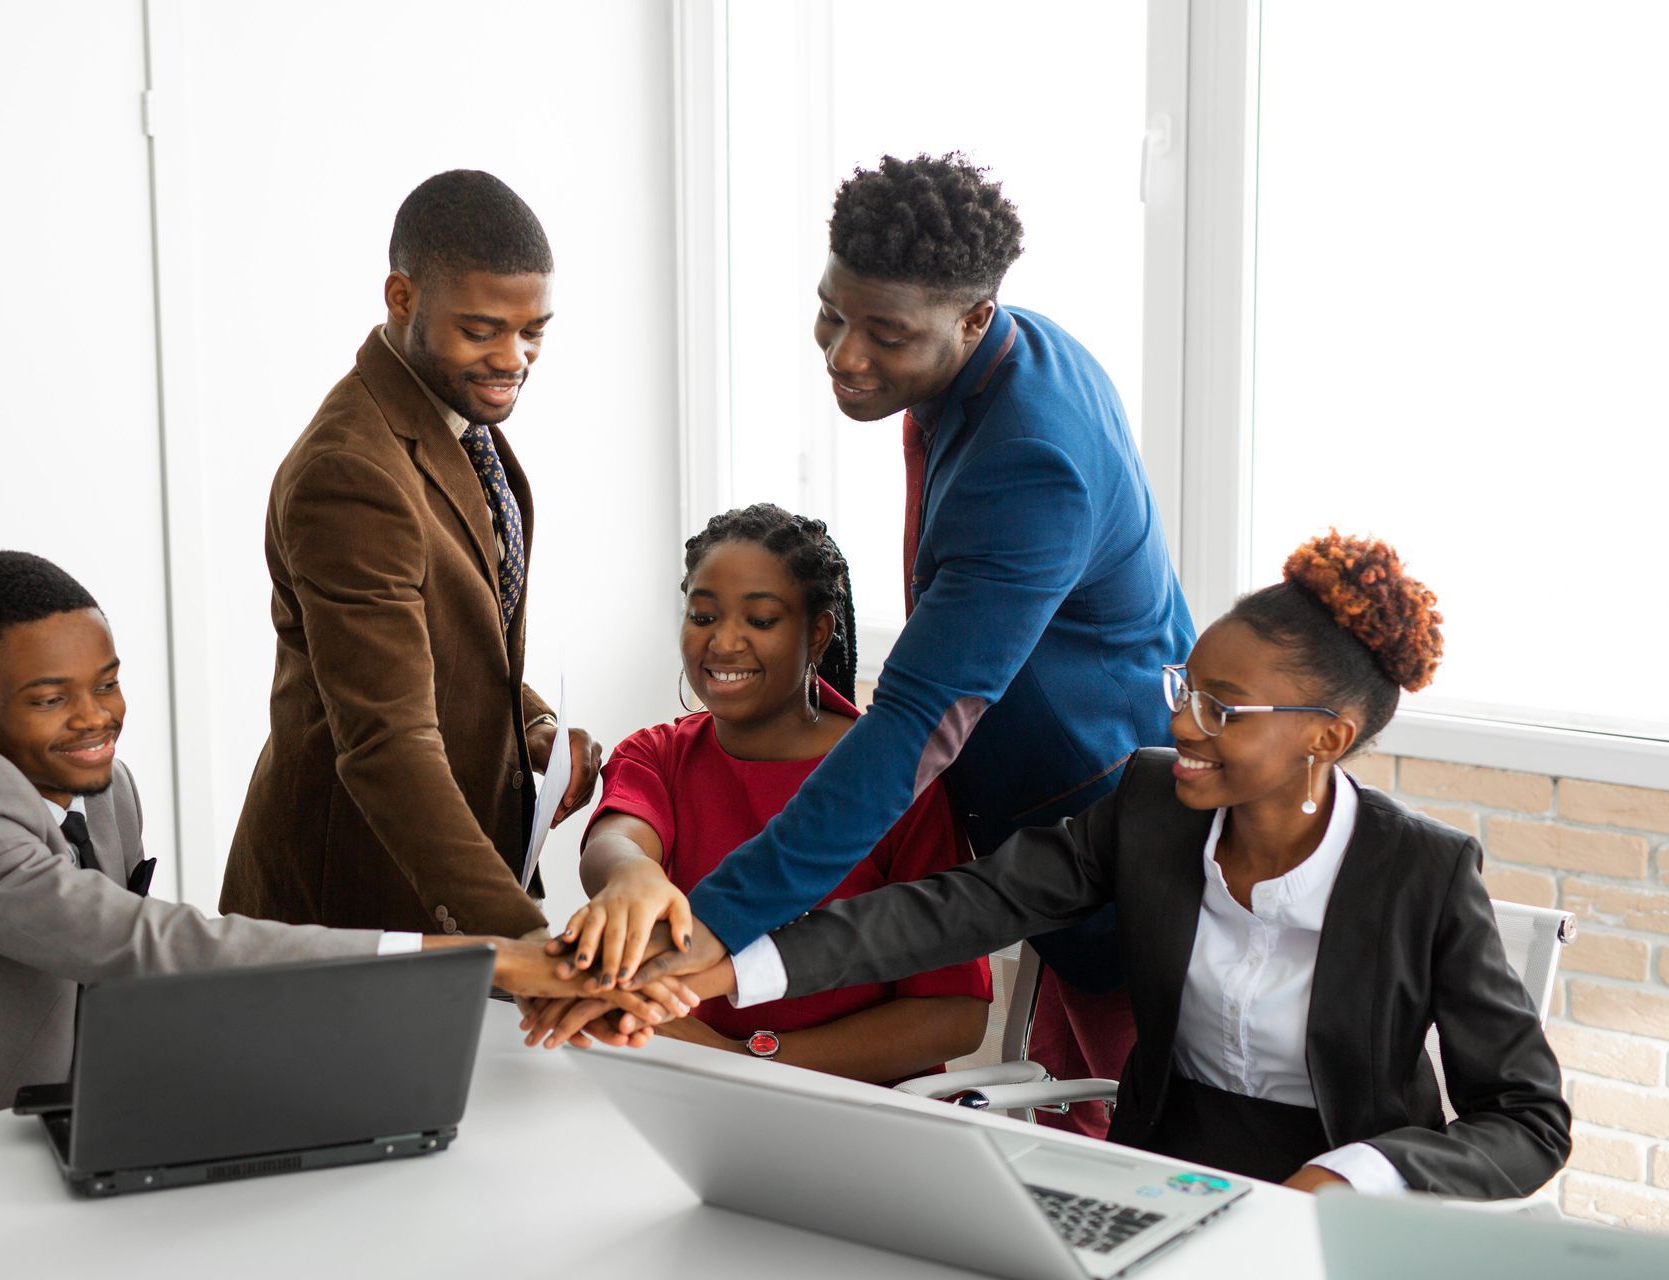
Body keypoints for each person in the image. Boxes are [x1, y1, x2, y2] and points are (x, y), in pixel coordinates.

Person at [592, 534, 1571, 1199]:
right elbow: (963, 905)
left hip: (1332, 1199)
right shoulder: (1150, 804)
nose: (1180, 722)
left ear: (1328, 735)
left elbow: (1528, 1118)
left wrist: (1353, 1173)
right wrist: (732, 963)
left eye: (1223, 710)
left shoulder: (1424, 873)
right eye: (1187, 688)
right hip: (1160, 1180)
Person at [573, 153, 1194, 1136]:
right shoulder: (994, 355)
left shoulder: (1030, 460)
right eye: (832, 313)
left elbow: (913, 721)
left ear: (975, 317)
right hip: (1059, 825)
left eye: (886, 334)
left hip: (1127, 842)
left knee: (1151, 1160)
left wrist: (722, 928)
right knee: (1074, 1144)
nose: (844, 356)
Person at [0, 553, 688, 1157]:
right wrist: (488, 957)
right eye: (51, 698)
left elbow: (128, 988)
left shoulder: (104, 787)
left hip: (56, 1141)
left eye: (107, 682)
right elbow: (149, 946)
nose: (94, 717)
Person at [219, 169, 602, 941]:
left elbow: (439, 640)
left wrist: (530, 722)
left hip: (435, 889)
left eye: (534, 331)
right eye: (483, 329)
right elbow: (386, 743)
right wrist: (523, 936)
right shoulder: (350, 471)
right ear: (402, 299)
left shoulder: (454, 415)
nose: (515, 358)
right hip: (355, 903)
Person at [538, 505, 990, 1083]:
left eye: (761, 620)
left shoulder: (897, 779)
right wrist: (632, 876)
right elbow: (617, 840)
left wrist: (741, 1062)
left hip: (857, 1116)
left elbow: (953, 1016)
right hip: (685, 1095)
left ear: (818, 632)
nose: (723, 642)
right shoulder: (657, 753)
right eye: (703, 616)